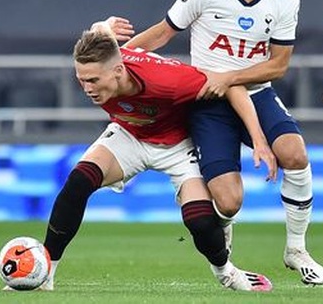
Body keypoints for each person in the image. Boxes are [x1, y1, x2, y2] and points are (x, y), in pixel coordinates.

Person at [125, 0, 323, 285]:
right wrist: (120, 56)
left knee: (295, 154)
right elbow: (162, 33)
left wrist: (229, 77)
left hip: (258, 93)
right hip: (208, 102)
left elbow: (278, 65)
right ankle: (224, 245)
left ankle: (296, 249)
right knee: (229, 200)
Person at [35, 18, 277, 292]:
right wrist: (103, 25)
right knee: (78, 183)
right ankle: (45, 272)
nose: (88, 88)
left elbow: (232, 85)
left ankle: (226, 272)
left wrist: (258, 139)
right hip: (130, 134)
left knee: (198, 220)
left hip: (178, 145)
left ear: (118, 70)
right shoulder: (103, 57)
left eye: (93, 80)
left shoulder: (170, 80)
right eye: (81, 80)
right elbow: (99, 31)